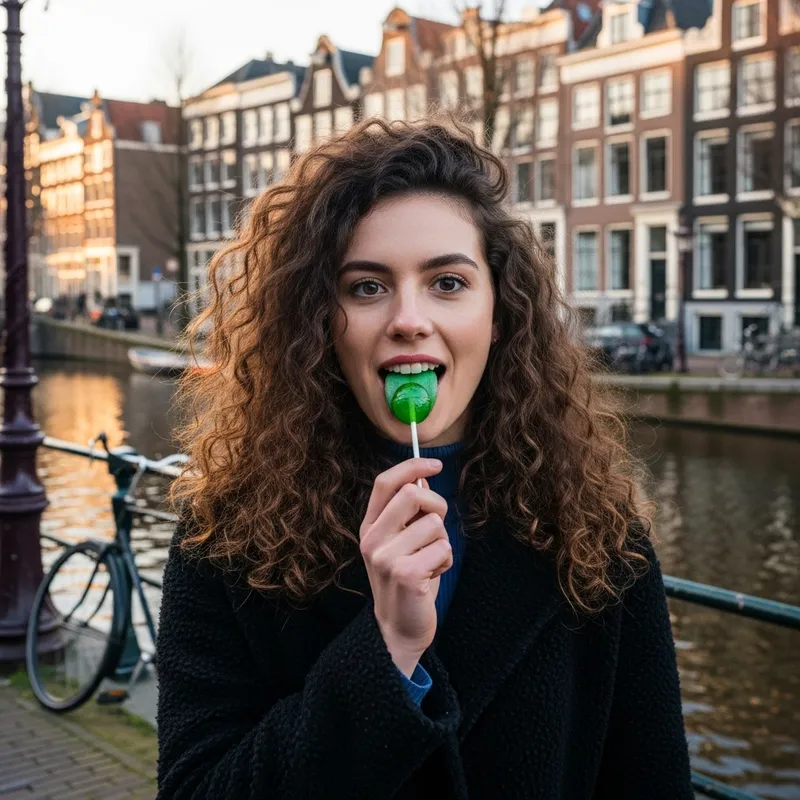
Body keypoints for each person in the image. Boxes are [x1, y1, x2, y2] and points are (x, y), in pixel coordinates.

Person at [156, 118, 693, 800]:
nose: (408, 318)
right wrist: (385, 653)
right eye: (367, 288)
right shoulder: (225, 539)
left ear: (499, 314)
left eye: (447, 283)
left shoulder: (599, 537)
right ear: (320, 320)